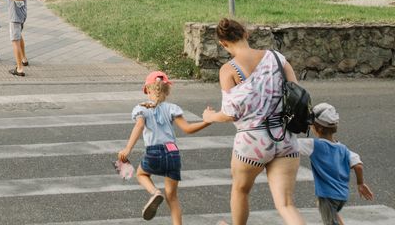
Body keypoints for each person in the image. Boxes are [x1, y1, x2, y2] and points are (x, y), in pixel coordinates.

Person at [202, 18, 305, 225]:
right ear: (246, 34)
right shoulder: (277, 58)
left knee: (241, 190)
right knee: (286, 204)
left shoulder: (229, 70)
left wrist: (210, 117)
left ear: (223, 44)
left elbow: (230, 113)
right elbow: (297, 93)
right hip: (285, 138)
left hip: (252, 141)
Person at [119, 71, 211, 222]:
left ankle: (155, 192)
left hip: (154, 151)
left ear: (147, 90)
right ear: (167, 92)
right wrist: (208, 121)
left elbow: (140, 125)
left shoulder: (141, 108)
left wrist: (128, 148)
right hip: (173, 154)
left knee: (141, 174)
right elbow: (188, 129)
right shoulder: (172, 108)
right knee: (172, 198)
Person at [298, 102, 374, 225]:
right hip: (342, 196)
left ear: (319, 128)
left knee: (330, 221)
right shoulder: (343, 149)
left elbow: (290, 145)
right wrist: (360, 183)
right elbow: (358, 165)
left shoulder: (314, 145)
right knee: (331, 215)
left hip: (327, 196)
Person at [3, 0, 32, 77]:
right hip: (22, 15)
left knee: (15, 41)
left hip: (15, 17)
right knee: (19, 37)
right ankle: (24, 59)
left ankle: (19, 68)